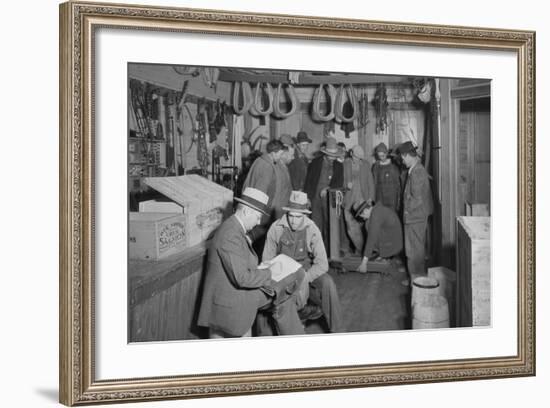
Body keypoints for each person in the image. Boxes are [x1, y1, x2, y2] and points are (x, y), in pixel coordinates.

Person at [197, 187, 305, 338]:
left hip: (232, 292)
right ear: (246, 212)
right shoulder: (230, 234)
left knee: (282, 295)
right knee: (284, 289)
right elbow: (242, 279)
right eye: (258, 217)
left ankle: (290, 336)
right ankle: (295, 338)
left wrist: (262, 269)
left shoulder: (234, 228)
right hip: (231, 300)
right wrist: (270, 272)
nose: (259, 222)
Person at [262, 191, 344, 332]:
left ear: (305, 215)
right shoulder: (276, 228)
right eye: (291, 216)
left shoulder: (312, 229)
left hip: (305, 271)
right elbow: (266, 262)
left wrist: (305, 278)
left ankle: (338, 332)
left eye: (298, 217)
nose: (293, 220)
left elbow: (322, 263)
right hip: (283, 274)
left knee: (328, 284)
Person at [241, 139, 292, 244]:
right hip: (262, 210)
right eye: (280, 154)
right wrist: (261, 214)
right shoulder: (268, 167)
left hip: (251, 206)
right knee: (260, 240)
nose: (281, 156)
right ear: (273, 153)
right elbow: (261, 192)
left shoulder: (259, 160)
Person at [398, 141, 434, 285]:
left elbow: (417, 199)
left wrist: (406, 211)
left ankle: (418, 280)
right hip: (415, 216)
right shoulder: (414, 169)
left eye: (402, 157)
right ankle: (414, 276)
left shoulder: (417, 172)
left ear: (408, 155)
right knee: (412, 249)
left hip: (416, 216)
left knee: (415, 250)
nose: (402, 160)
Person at [303, 137, 345, 249]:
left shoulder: (339, 166)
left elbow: (339, 184)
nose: (332, 158)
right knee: (316, 224)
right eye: (330, 155)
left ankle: (327, 250)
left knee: (329, 225)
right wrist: (307, 198)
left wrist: (328, 188)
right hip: (315, 199)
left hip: (329, 200)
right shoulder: (315, 163)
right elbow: (308, 181)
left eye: (334, 156)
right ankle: (316, 249)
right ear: (325, 153)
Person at [353, 200, 403, 273]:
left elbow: (371, 239)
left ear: (366, 210)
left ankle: (387, 254)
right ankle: (384, 254)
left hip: (394, 244)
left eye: (362, 215)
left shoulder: (376, 216)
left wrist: (364, 263)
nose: (363, 218)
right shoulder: (377, 209)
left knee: (368, 226)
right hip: (395, 240)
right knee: (368, 224)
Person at [342, 145, 375, 254]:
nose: (358, 160)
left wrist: (371, 198)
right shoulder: (345, 164)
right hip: (349, 200)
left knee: (364, 227)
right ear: (351, 153)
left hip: (362, 200)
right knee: (350, 227)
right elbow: (339, 182)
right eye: (356, 157)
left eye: (360, 158)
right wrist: (346, 186)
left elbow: (370, 182)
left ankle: (363, 251)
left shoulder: (365, 165)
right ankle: (360, 249)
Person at [372, 142, 401, 213]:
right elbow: (374, 183)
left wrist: (398, 201)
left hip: (392, 199)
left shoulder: (394, 167)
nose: (381, 158)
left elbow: (398, 185)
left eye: (383, 156)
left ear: (386, 153)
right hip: (380, 198)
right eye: (379, 156)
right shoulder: (376, 167)